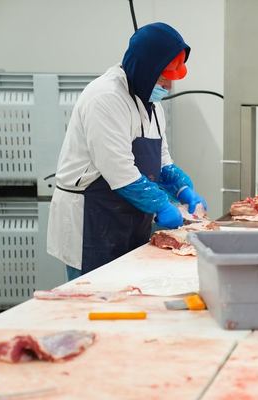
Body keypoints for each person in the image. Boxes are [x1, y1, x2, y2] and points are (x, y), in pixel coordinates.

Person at [47, 22, 206, 280]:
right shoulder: (106, 97)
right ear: (145, 70)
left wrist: (182, 189)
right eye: (163, 78)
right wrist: (162, 205)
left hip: (129, 218)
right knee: (93, 296)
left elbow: (161, 162)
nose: (168, 87)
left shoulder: (152, 104)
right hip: (93, 219)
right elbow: (120, 171)